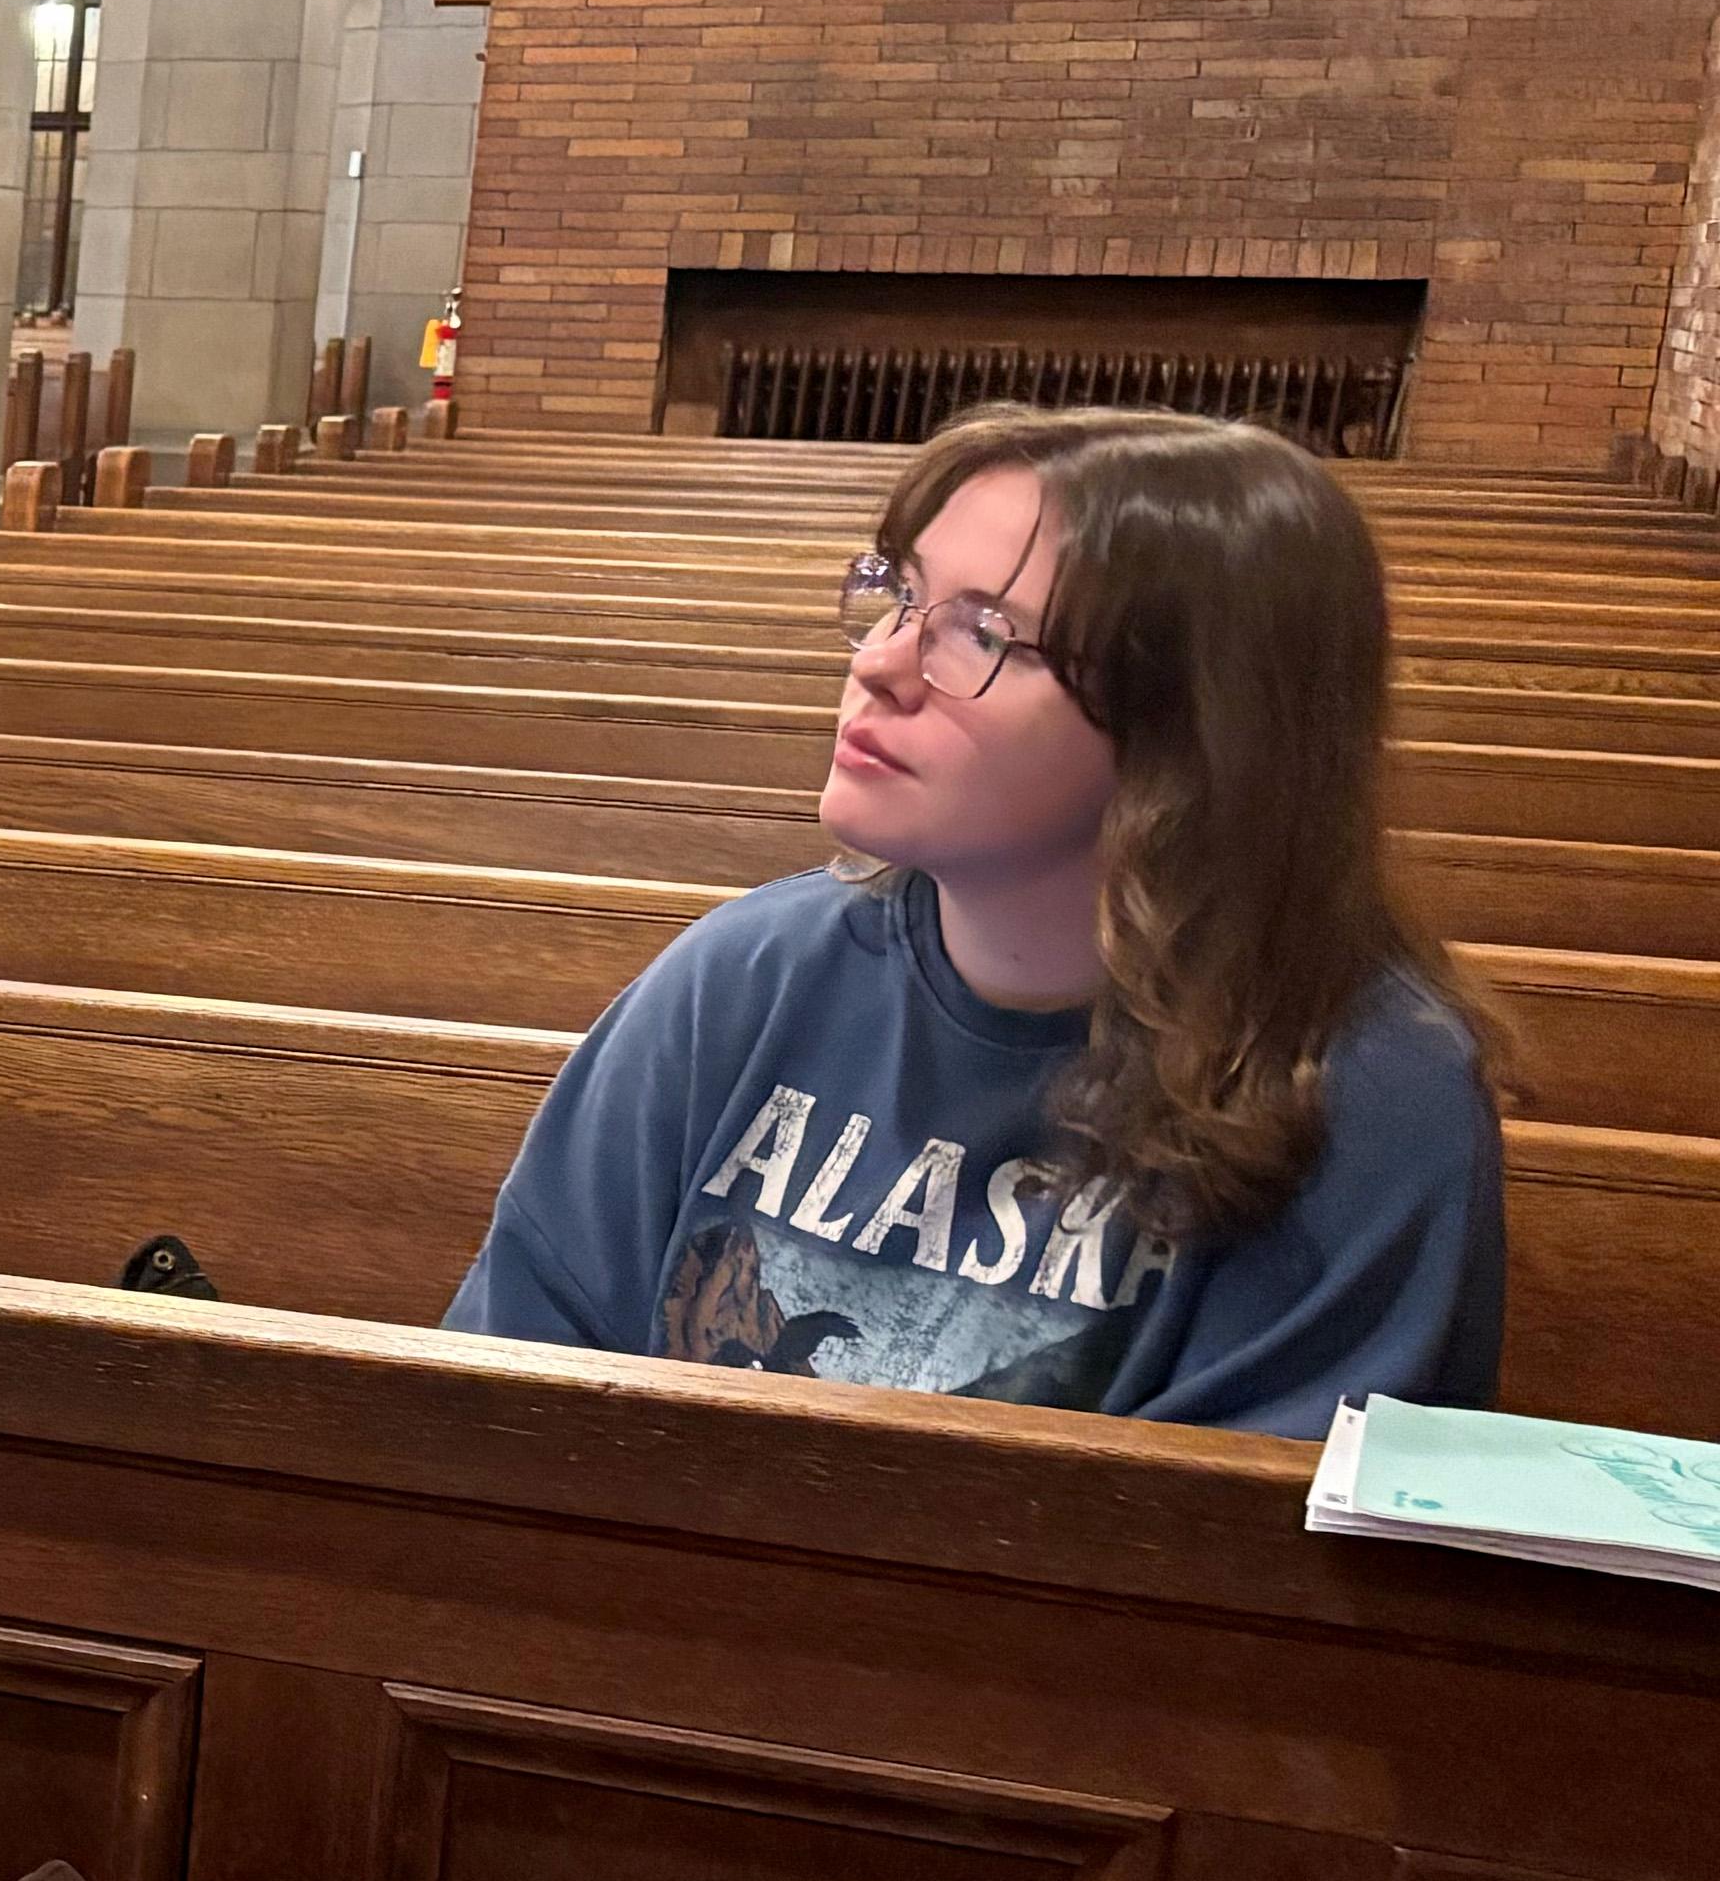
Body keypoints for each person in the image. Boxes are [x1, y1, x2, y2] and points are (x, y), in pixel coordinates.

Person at [442, 407, 1505, 1435]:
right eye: (901, 598)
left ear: (1193, 728)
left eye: (982, 633)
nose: (879, 665)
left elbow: (1222, 1568)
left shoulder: (1360, 1091)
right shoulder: (746, 977)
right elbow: (502, 1400)